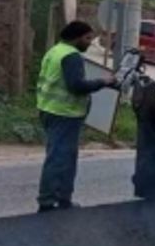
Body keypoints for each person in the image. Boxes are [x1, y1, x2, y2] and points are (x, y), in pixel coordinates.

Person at [36, 20, 116, 213]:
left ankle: (63, 199)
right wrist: (103, 82)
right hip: (65, 113)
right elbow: (77, 86)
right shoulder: (71, 56)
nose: (89, 43)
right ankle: (48, 201)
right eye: (87, 38)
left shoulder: (55, 50)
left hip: (49, 110)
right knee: (59, 158)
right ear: (77, 37)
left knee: (64, 157)